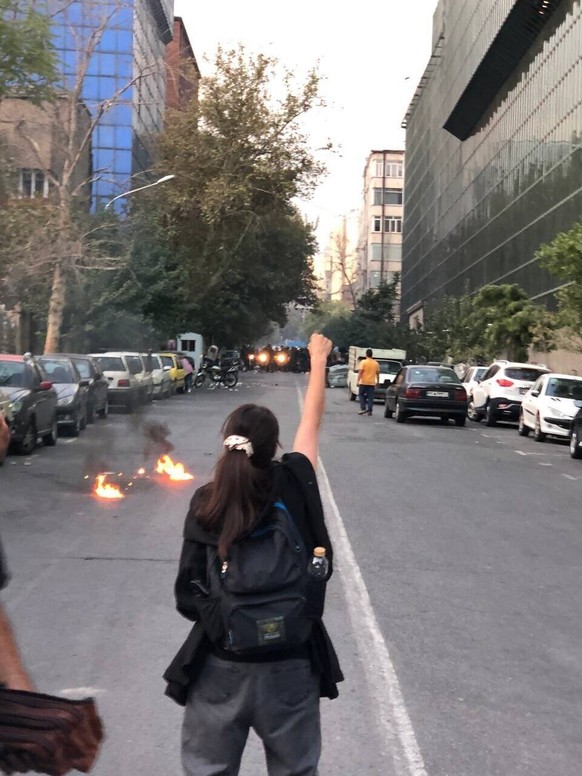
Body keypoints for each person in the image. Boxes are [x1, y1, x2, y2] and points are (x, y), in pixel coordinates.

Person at [164, 332, 343, 776]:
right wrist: (318, 361)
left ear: (228, 442)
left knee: (207, 769)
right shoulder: (294, 481)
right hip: (291, 663)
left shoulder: (208, 500)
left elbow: (188, 593)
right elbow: (311, 424)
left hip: (223, 664)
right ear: (274, 447)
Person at [357, 348, 380, 416]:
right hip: (371, 383)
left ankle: (363, 408)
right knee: (370, 397)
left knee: (361, 395)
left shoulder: (363, 362)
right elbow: (378, 374)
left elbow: (360, 372)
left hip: (363, 382)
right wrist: (377, 382)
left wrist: (358, 381)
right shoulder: (376, 363)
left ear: (366, 354)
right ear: (372, 355)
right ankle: (370, 410)